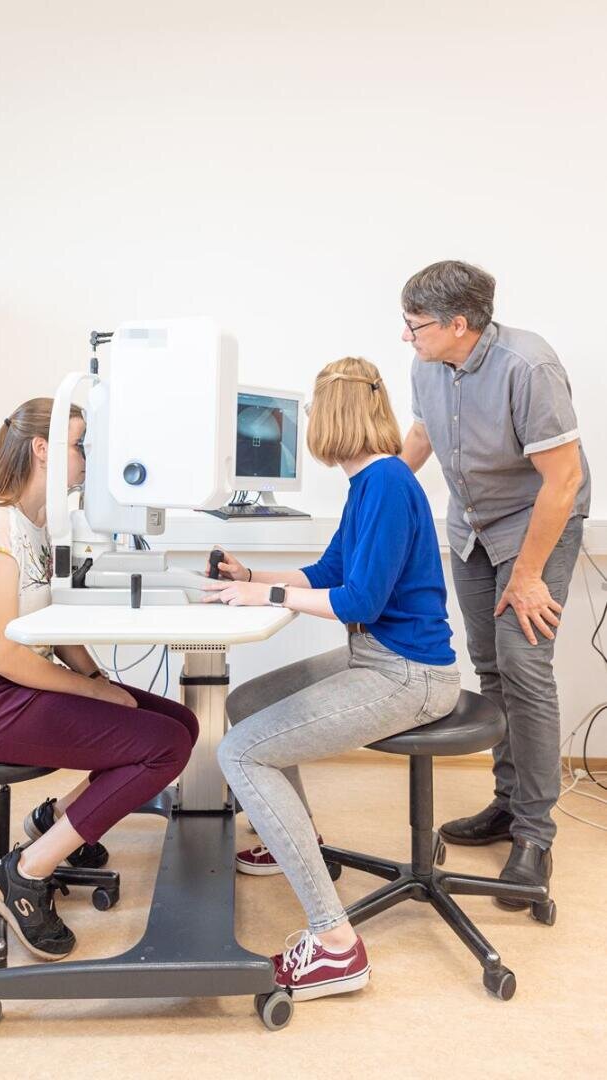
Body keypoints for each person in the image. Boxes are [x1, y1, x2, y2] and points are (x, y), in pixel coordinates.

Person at [206, 357, 460, 1002]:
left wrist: (268, 599)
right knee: (248, 701)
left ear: (335, 415)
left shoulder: (388, 483)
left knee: (240, 751)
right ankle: (299, 836)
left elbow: (358, 603)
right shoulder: (371, 483)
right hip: (381, 659)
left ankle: (334, 945)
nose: (309, 423)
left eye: (315, 411)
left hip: (408, 676)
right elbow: (328, 573)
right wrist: (254, 578)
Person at [0, 398, 198, 961]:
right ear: (42, 450)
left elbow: (51, 620)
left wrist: (97, 676)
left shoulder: (37, 524)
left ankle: (52, 821)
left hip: (13, 686)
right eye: (79, 447)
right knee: (162, 747)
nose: (85, 460)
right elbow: (1, 651)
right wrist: (95, 692)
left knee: (178, 721)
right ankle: (24, 873)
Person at [399, 260, 590, 904]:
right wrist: (382, 493)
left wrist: (531, 573)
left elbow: (561, 481)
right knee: (489, 666)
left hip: (536, 527)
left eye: (415, 324)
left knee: (525, 667)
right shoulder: (429, 362)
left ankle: (535, 836)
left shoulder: (527, 367)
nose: (407, 335)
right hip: (473, 528)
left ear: (460, 323)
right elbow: (422, 435)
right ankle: (507, 805)